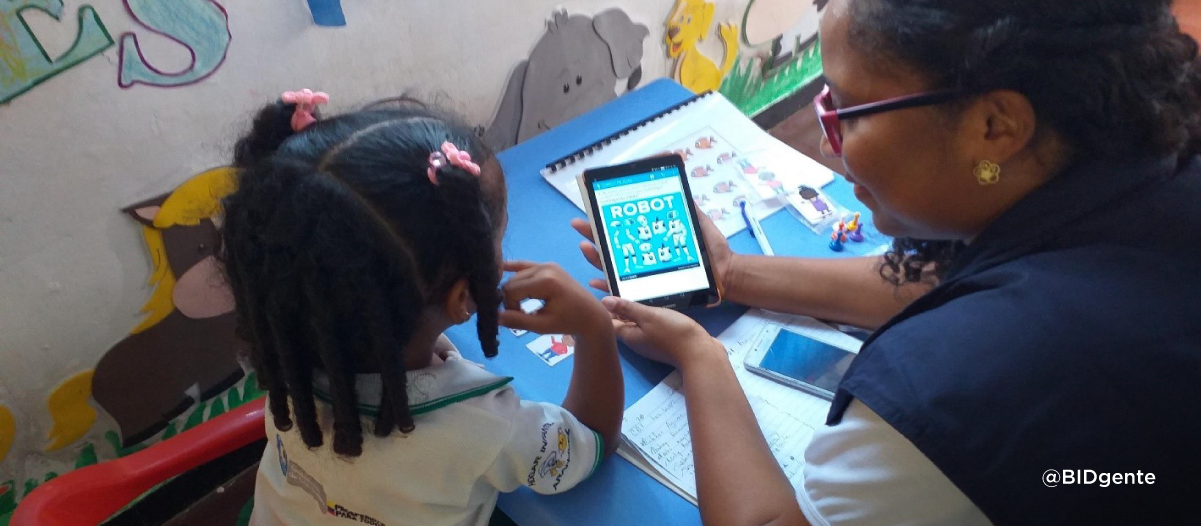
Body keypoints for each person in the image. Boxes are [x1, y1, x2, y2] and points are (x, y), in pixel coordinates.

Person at [574, 0, 1201, 524]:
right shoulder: (1142, 154)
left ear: (994, 126)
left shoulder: (950, 391)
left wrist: (699, 356)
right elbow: (932, 281)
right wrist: (734, 274)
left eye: (846, 110)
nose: (828, 142)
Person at [220, 91, 623, 526]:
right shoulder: (486, 425)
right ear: (461, 298)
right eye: (498, 237)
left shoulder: (288, 352)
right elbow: (591, 443)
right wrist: (595, 327)